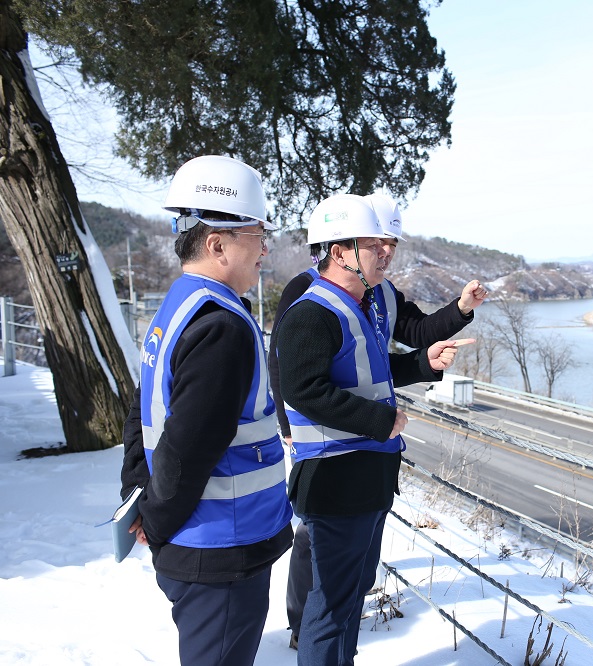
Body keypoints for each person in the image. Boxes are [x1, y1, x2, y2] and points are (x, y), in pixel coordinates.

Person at [269, 193, 487, 649]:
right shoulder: (314, 306)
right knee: (327, 604)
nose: (386, 252)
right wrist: (378, 420)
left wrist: (425, 363)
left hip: (368, 469)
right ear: (340, 251)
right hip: (334, 470)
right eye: (375, 243)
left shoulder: (367, 299)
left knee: (348, 596)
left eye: (390, 243)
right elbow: (299, 385)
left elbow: (375, 369)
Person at [119, 155, 294, 666]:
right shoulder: (222, 327)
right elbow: (188, 446)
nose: (266, 249)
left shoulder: (180, 304)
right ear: (217, 243)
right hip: (219, 550)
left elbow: (143, 407)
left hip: (198, 541)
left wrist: (138, 493)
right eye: (258, 235)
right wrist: (156, 518)